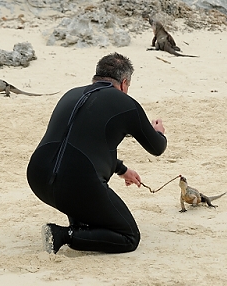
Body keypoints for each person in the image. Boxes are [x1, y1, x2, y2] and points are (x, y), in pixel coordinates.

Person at [26, 52, 167, 254]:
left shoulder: (71, 94)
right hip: (75, 184)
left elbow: (78, 143)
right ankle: (62, 235)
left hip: (38, 177)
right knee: (129, 237)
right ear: (125, 82)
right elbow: (157, 148)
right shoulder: (126, 103)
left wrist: (122, 169)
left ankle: (80, 223)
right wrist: (159, 133)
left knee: (81, 196)